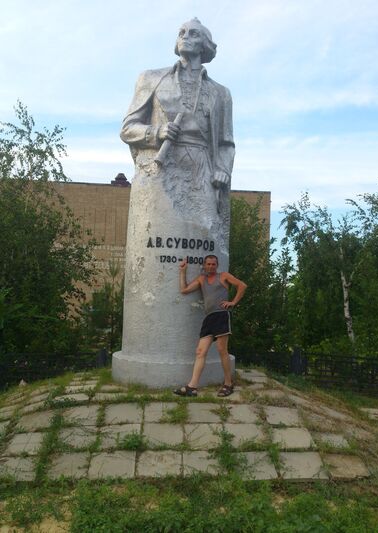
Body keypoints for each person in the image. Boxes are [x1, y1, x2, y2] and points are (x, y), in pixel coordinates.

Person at [120, 17, 235, 249]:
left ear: (204, 45)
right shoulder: (151, 79)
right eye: (181, 32)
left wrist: (222, 170)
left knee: (205, 239)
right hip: (162, 168)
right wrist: (157, 131)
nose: (185, 36)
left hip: (202, 171)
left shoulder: (221, 93)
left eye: (193, 33)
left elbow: (226, 143)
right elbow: (128, 129)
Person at [174, 255, 247, 397]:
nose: (211, 266)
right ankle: (192, 387)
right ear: (204, 265)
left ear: (217, 265)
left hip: (221, 315)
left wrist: (233, 302)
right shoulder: (202, 279)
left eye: (213, 264)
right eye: (208, 264)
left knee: (222, 350)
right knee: (200, 352)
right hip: (209, 318)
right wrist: (183, 271)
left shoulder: (223, 276)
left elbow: (242, 285)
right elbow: (184, 290)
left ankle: (228, 384)